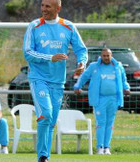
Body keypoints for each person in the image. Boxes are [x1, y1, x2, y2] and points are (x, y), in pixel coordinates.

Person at [23, 0, 88, 161]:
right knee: (45, 114)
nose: (43, 9)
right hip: (38, 78)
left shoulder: (68, 27)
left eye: (47, 6)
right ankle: (43, 156)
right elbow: (28, 52)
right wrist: (50, 57)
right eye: (42, 6)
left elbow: (81, 49)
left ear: (58, 8)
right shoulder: (34, 26)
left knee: (51, 120)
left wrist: (82, 63)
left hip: (58, 81)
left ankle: (45, 156)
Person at [74, 48, 130, 155]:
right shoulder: (94, 66)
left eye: (108, 56)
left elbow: (123, 79)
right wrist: (77, 86)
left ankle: (107, 147)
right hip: (99, 99)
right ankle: (100, 147)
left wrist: (126, 88)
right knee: (101, 122)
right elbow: (84, 76)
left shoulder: (117, 66)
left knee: (110, 123)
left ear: (111, 55)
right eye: (104, 56)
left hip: (113, 99)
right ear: (101, 56)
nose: (106, 58)